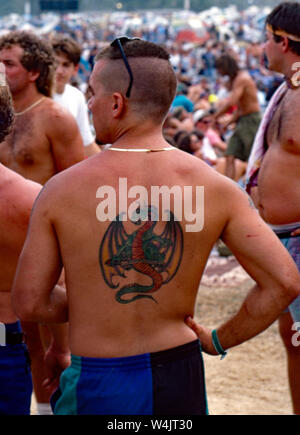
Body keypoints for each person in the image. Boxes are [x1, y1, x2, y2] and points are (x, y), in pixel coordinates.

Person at [12, 38, 300, 415]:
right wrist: (217, 339)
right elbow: (284, 282)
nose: (89, 104)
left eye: (93, 94)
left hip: (100, 378)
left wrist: (92, 298)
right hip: (179, 373)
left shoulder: (61, 190)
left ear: (116, 104)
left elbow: (29, 301)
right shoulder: (216, 188)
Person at [0, 30, 84, 415]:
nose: (2, 70)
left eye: (9, 63)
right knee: (22, 344)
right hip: (11, 241)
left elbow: (75, 190)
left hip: (43, 246)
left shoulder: (55, 117)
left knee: (49, 352)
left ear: (33, 70)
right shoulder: (6, 115)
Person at [245, 1, 300, 415]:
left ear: (283, 41)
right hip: (283, 238)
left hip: (298, 236)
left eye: (266, 38)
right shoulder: (287, 89)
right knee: (294, 339)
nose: (263, 47)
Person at [213, 53, 261, 181]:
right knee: (230, 155)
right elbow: (240, 108)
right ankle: (230, 188)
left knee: (255, 157)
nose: (219, 72)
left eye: (220, 69)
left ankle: (257, 185)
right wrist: (229, 122)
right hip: (243, 120)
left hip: (251, 120)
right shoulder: (236, 80)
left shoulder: (242, 78)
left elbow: (232, 102)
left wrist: (215, 116)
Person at [51, 35, 100, 158]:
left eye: (65, 65)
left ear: (75, 69)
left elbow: (87, 143)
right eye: (55, 64)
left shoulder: (76, 96)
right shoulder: (36, 96)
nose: (59, 71)